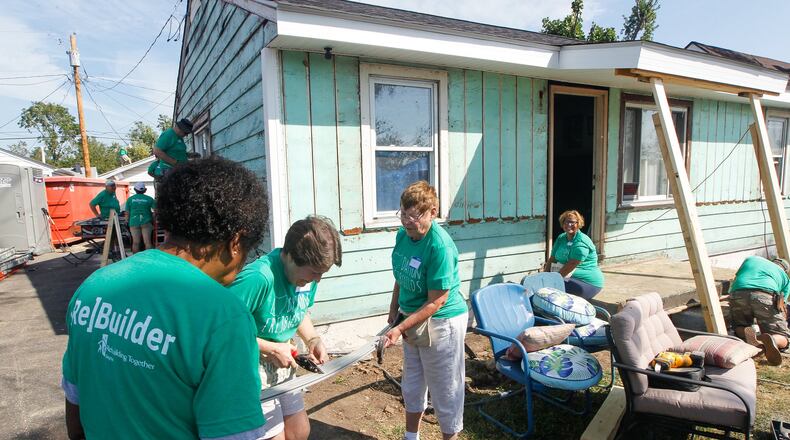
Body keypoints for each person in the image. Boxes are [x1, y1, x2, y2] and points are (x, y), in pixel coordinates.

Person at [61, 158, 269, 439]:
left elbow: (75, 401)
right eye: (249, 252)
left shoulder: (94, 287)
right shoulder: (223, 316)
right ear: (235, 242)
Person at [229, 216, 342, 440]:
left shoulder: (305, 278)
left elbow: (298, 312)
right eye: (314, 272)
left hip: (283, 366)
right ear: (290, 257)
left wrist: (313, 339)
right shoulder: (258, 279)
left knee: (299, 432)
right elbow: (223, 331)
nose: (317, 280)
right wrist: (271, 348)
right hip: (252, 372)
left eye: (322, 273)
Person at [382, 181, 468, 440]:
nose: (408, 221)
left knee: (445, 389)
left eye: (414, 215)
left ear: (433, 211)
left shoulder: (439, 246)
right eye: (403, 214)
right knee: (412, 383)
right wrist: (394, 307)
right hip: (410, 319)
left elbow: (436, 301)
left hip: (442, 322)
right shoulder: (403, 236)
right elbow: (401, 273)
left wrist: (399, 328)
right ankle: (411, 437)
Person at [729, 255, 790, 366]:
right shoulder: (785, 278)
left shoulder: (751, 259)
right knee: (783, 337)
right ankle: (771, 339)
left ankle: (754, 337)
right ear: (784, 270)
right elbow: (781, 306)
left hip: (737, 293)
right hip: (765, 295)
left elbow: (737, 277)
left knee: (739, 327)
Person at [543, 210, 604, 300]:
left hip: (587, 282)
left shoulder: (581, 242)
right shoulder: (562, 238)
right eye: (566, 221)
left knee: (551, 292)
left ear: (578, 224)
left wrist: (552, 281)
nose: (569, 224)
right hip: (568, 276)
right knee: (541, 283)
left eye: (572, 222)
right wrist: (544, 276)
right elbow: (552, 259)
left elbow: (571, 265)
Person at [124, 182, 156, 253]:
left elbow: (127, 213)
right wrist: (153, 219)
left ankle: (136, 261)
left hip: (133, 222)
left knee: (135, 242)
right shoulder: (149, 199)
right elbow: (156, 211)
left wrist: (126, 221)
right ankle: (149, 259)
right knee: (147, 242)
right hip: (146, 222)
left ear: (135, 189)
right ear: (145, 190)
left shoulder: (130, 199)